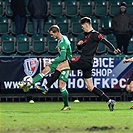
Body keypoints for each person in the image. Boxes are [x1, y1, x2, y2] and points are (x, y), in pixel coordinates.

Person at [33, 17, 120, 111]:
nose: (82, 28)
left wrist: (114, 49)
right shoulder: (86, 36)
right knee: (90, 87)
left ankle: (46, 87)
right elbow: (81, 49)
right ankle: (109, 100)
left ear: (87, 24)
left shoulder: (95, 34)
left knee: (60, 66)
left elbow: (105, 41)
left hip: (84, 61)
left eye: (83, 26)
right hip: (88, 64)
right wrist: (79, 45)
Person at [19, 25, 72, 111]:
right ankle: (28, 83)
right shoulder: (61, 40)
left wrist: (52, 61)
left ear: (57, 32)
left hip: (66, 64)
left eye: (52, 34)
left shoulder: (63, 42)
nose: (52, 36)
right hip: (60, 62)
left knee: (61, 86)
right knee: (45, 70)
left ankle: (67, 105)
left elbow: (63, 57)